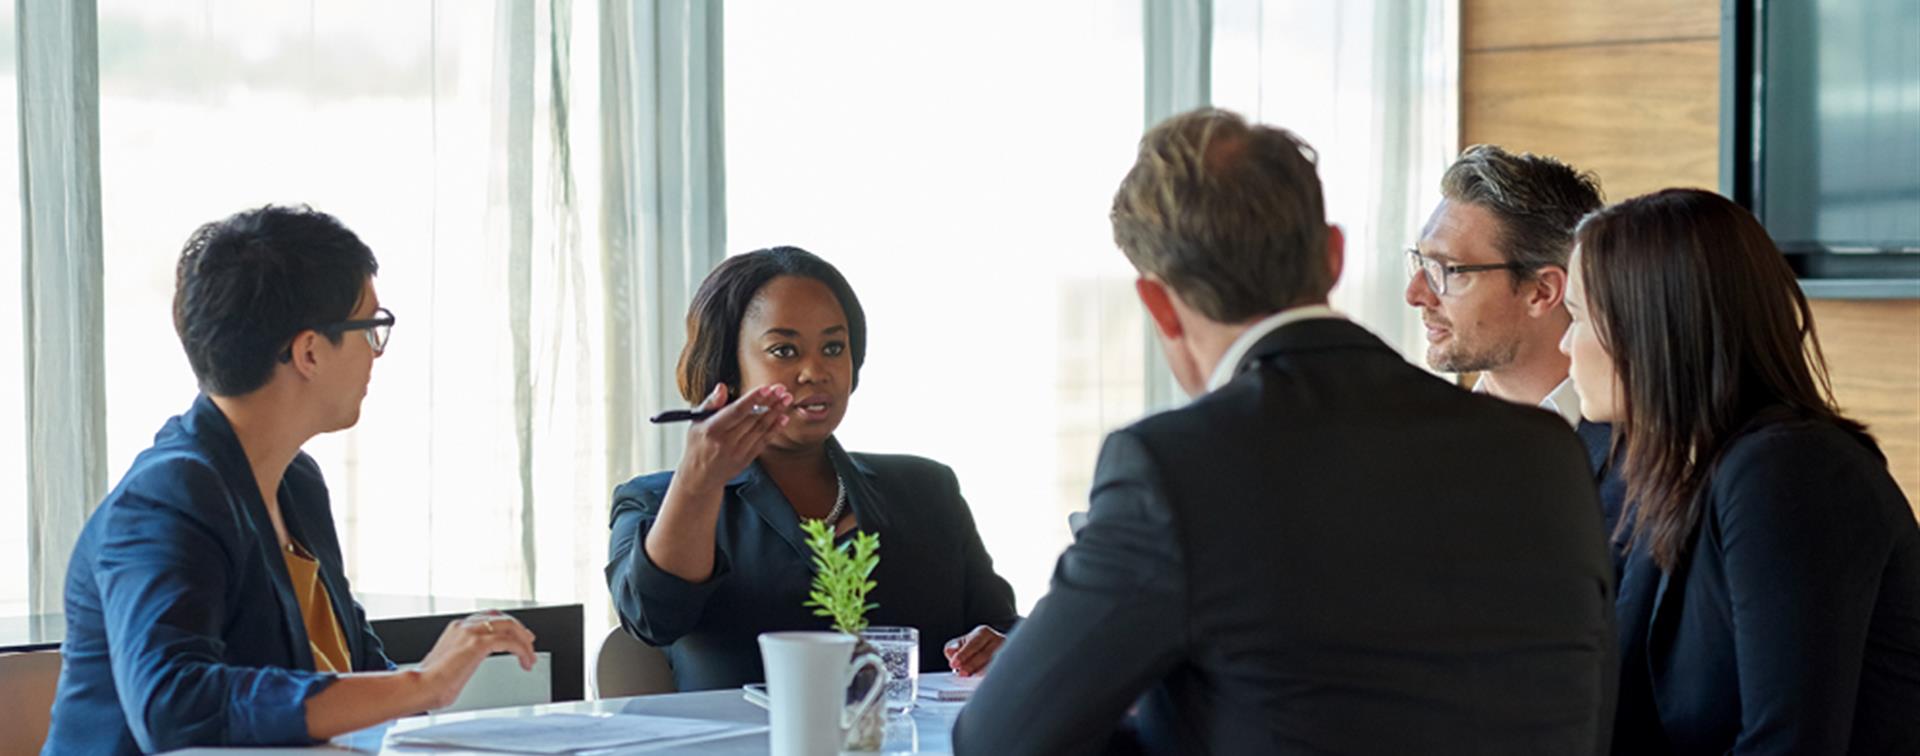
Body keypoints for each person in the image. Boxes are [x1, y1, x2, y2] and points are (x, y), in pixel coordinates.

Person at [953, 108, 1616, 755]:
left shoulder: (1170, 468)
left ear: (1157, 303)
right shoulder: (1544, 452)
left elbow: (1000, 739)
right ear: (1333, 256)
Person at [43, 206, 536, 755]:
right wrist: (420, 683)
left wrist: (427, 682)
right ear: (308, 352)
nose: (376, 355)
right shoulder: (164, 498)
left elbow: (359, 673)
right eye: (371, 330)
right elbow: (173, 706)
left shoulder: (295, 482)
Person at [1562, 188, 1920, 754]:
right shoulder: (1662, 470)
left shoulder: (1789, 471)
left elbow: (1789, 743)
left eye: (1577, 317)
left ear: (1651, 329)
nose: (1565, 343)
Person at [605, 246, 1019, 692]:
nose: (815, 371)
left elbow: (1003, 629)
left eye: (833, 347)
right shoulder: (652, 501)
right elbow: (652, 619)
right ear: (729, 368)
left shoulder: (928, 489)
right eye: (784, 350)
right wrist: (698, 480)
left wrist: (998, 647)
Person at [1405, 145, 1627, 547]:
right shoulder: (1418, 449)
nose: (1416, 293)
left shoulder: (1651, 460)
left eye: (1447, 270)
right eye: (1421, 263)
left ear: (1541, 291)